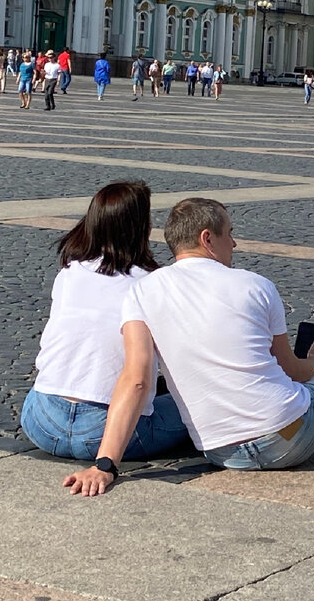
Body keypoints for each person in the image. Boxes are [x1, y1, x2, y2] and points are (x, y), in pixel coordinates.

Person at [62, 198, 314, 495]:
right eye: (230, 234)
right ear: (207, 238)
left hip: (220, 452)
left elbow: (136, 379)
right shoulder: (256, 285)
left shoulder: (141, 292)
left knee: (294, 396)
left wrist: (104, 465)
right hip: (290, 438)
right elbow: (293, 371)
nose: (234, 243)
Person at [21, 182, 190, 462]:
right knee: (193, 406)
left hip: (41, 421)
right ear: (141, 228)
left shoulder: (70, 270)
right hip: (103, 432)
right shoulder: (152, 284)